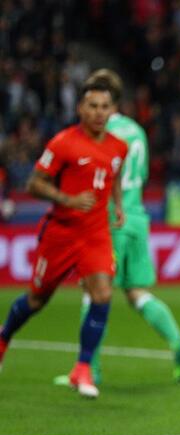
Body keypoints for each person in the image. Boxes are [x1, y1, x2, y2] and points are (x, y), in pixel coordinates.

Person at [53, 69, 180, 386]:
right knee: (137, 293)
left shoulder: (99, 133)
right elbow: (140, 175)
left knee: (93, 293)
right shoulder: (137, 131)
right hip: (137, 217)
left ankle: (89, 369)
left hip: (108, 221)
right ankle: (178, 345)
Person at [0, 75, 128, 399]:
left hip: (96, 233)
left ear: (112, 110)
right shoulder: (63, 143)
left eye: (105, 107)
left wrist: (118, 205)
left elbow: (113, 176)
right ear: (80, 108)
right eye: (93, 106)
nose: (99, 112)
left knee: (102, 294)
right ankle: (3, 338)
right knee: (36, 299)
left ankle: (82, 368)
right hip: (62, 233)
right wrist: (67, 199)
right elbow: (33, 183)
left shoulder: (119, 147)